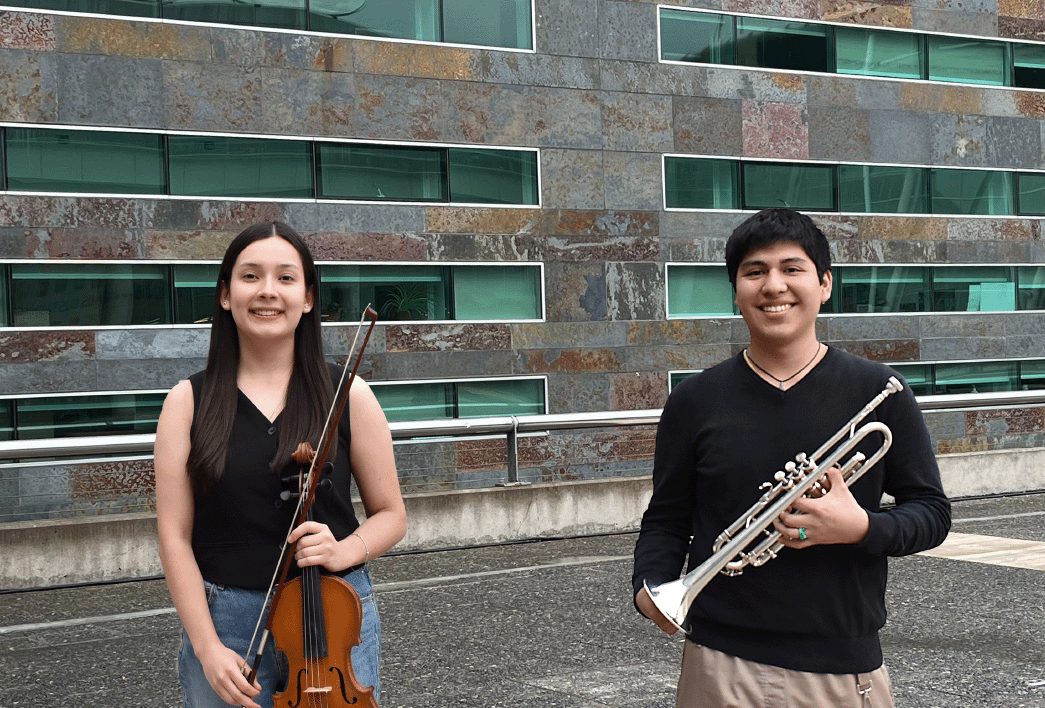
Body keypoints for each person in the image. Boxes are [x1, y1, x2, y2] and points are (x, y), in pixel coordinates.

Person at [632, 208, 951, 708]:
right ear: (736, 291)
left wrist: (861, 527)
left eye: (792, 269)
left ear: (824, 284)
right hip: (718, 663)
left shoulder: (880, 392)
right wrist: (648, 585)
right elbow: (667, 520)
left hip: (840, 669)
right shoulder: (694, 401)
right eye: (754, 272)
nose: (773, 285)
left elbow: (932, 513)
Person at [155, 221, 407, 708]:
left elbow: (392, 515)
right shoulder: (187, 402)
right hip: (226, 624)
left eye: (286, 278)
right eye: (250, 276)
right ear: (226, 295)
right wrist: (208, 649)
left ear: (308, 297)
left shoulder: (348, 394)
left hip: (333, 619)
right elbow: (174, 536)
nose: (268, 291)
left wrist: (345, 549)